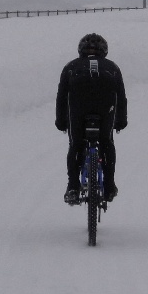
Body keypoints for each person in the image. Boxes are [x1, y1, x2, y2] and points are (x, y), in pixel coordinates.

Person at [56, 33, 127, 205]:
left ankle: (73, 187)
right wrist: (120, 120)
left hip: (79, 109)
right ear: (105, 51)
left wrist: (61, 121)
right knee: (107, 142)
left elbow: (62, 97)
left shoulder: (71, 66)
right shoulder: (112, 67)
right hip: (105, 108)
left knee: (76, 145)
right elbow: (121, 97)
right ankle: (109, 185)